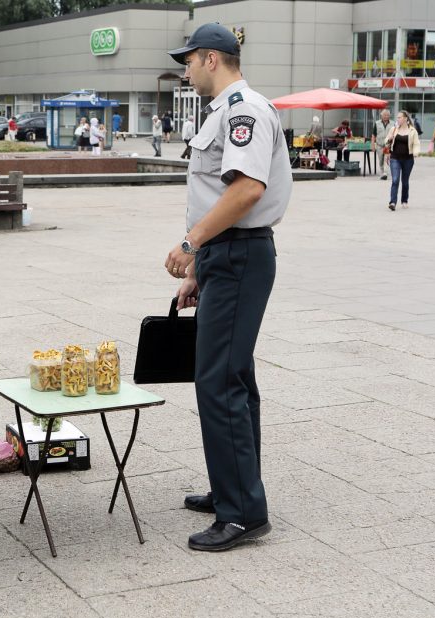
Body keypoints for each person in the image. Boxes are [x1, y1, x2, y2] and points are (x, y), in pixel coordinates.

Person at [164, 23, 292, 552]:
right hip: (227, 256)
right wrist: (201, 268)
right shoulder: (226, 111)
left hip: (238, 253)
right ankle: (232, 490)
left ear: (212, 58)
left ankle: (242, 514)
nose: (185, 69)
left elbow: (246, 191)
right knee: (230, 377)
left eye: (189, 61)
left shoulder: (245, 111)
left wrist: (190, 245)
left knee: (219, 381)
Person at [383, 110, 420, 211]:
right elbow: (386, 141)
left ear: (405, 119)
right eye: (397, 117)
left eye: (399, 117)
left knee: (405, 181)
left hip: (408, 159)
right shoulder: (393, 129)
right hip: (395, 158)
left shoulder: (413, 131)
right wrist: (389, 138)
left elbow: (416, 143)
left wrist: (416, 152)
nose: (398, 119)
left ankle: (404, 200)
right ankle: (393, 202)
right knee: (395, 180)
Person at [371, 109, 394, 180]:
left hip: (388, 145)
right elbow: (374, 135)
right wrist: (372, 144)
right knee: (380, 159)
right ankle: (382, 172)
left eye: (387, 115)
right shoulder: (377, 123)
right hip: (379, 145)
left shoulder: (393, 123)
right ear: (381, 115)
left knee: (386, 159)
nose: (386, 116)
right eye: (384, 115)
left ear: (389, 116)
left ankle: (385, 173)